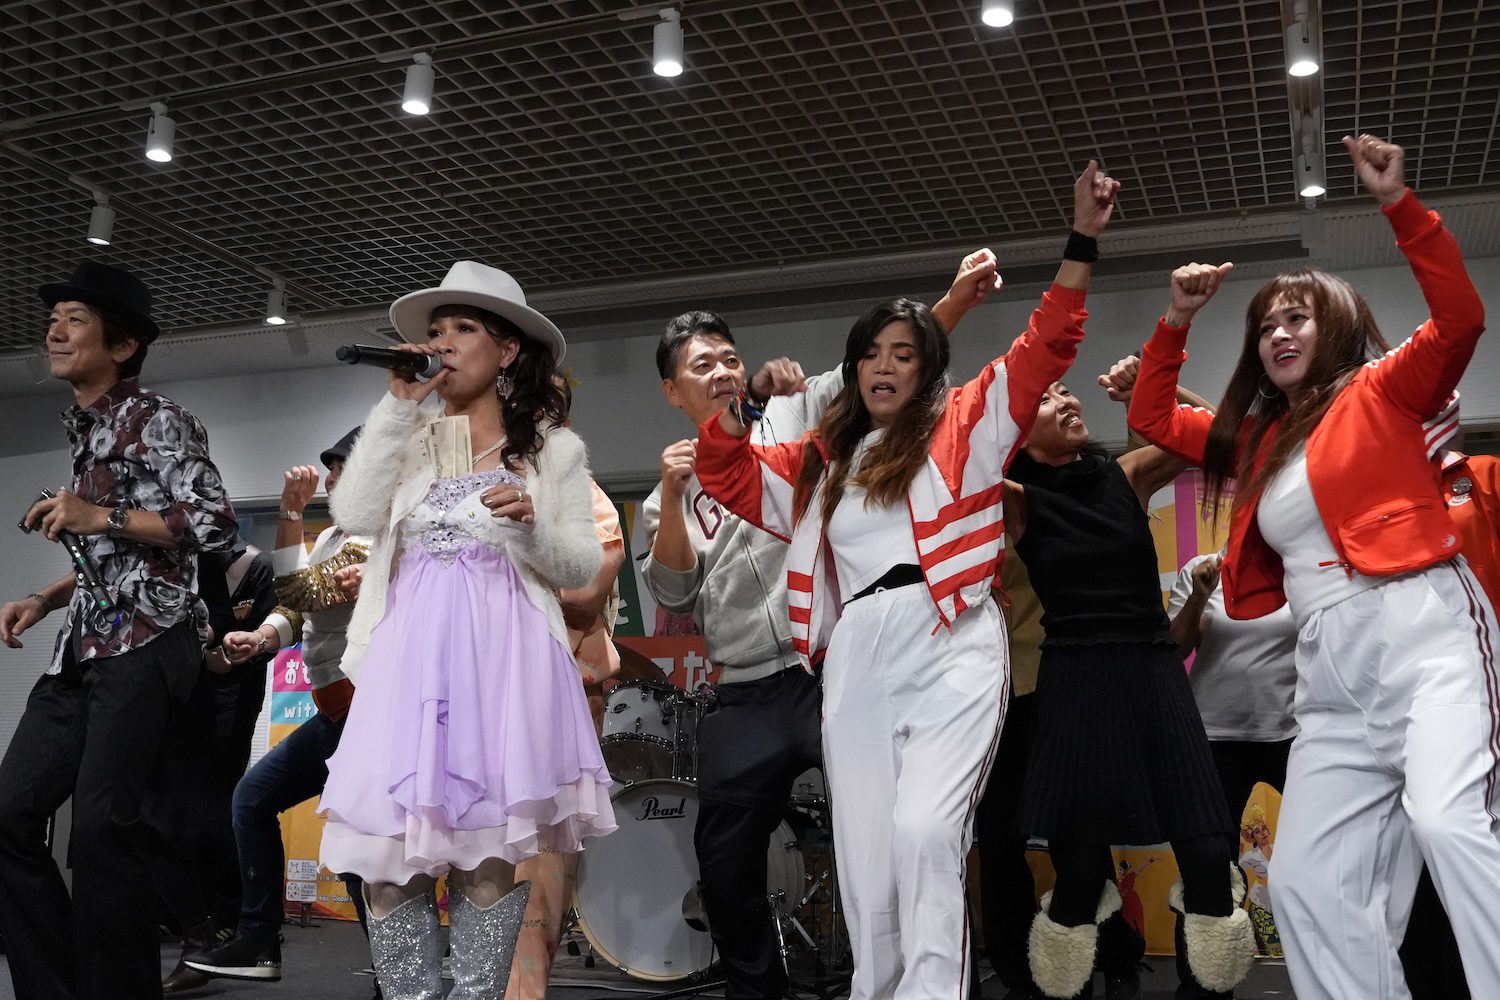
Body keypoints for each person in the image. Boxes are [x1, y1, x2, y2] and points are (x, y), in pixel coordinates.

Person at [693, 163, 1118, 1000]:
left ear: (928, 369)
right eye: (871, 354)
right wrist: (729, 408)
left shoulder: (970, 422)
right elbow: (730, 476)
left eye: (905, 353)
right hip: (858, 648)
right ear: (853, 368)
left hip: (951, 629)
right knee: (865, 855)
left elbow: (1046, 344)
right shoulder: (822, 458)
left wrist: (1083, 241)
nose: (886, 366)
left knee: (927, 833)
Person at [1125, 134, 1500, 999]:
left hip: (1422, 627)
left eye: (1295, 318)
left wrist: (1400, 205)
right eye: (1264, 327)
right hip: (1326, 670)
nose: (1278, 335)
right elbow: (1151, 413)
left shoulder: (1383, 389)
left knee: (1448, 826)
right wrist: (1177, 317)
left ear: (1331, 325)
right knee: (1302, 884)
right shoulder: (1257, 439)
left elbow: (1462, 321)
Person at [642, 247, 999, 1000]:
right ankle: (759, 991)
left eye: (729, 358)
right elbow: (673, 592)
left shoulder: (809, 415)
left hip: (826, 668)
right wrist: (675, 495)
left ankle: (921, 971)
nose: (721, 373)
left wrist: (958, 299)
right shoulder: (667, 487)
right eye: (700, 366)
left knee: (889, 827)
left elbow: (892, 360)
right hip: (742, 688)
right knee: (725, 857)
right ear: (673, 390)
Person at [318, 261, 613, 1000]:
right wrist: (392, 409)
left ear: (507, 350)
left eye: (463, 329)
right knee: (387, 867)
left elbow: (579, 564)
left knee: (485, 867)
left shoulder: (553, 450)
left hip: (501, 664)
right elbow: (352, 514)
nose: (442, 343)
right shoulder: (408, 438)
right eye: (435, 330)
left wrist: (530, 524)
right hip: (407, 664)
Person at [0, 261, 239, 1000]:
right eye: (54, 318)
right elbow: (123, 551)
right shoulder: (86, 429)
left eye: (75, 317)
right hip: (85, 643)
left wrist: (92, 515)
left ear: (123, 344)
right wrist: (46, 596)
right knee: (9, 816)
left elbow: (211, 522)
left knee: (103, 833)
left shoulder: (158, 418)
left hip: (149, 642)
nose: (55, 329)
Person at [1005, 373, 1252, 1000]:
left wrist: (1158, 391)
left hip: (1151, 670)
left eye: (1067, 390)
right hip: (1073, 682)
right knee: (1081, 873)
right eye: (1047, 395)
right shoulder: (1017, 498)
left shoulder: (1126, 473)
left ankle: (1205, 989)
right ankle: (1064, 987)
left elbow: (1219, 437)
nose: (1067, 400)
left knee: (1205, 856)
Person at [184, 430, 374, 985]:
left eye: (341, 471)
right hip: (336, 712)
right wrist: (262, 639)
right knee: (255, 800)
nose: (332, 480)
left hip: (366, 711)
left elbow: (300, 592)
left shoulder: (379, 538)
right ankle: (259, 939)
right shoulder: (339, 536)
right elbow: (296, 613)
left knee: (363, 847)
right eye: (332, 471)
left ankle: (398, 969)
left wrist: (291, 511)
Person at [508, 375, 627, 1000]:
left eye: (551, 403)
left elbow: (583, 595)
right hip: (481, 698)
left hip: (560, 699)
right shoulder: (467, 478)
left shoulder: (584, 495)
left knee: (540, 869)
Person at [155, 543, 278, 995]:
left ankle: (228, 922)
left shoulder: (256, 566)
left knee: (226, 802)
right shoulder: (178, 561)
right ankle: (194, 919)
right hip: (185, 691)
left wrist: (225, 653)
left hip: (234, 694)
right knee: (174, 806)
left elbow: (273, 629)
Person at [1167, 551, 1297, 822]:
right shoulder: (1201, 570)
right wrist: (1199, 595)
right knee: (1215, 847)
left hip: (1287, 732)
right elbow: (1174, 650)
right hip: (1215, 735)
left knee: (1311, 837)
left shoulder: (1298, 570)